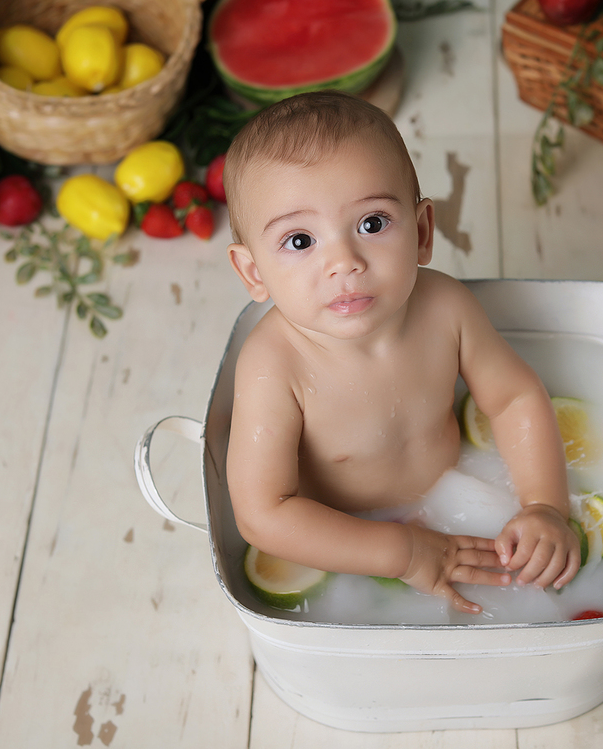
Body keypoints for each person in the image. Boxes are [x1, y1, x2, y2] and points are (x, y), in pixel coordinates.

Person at [223, 91, 579, 614]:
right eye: (300, 241)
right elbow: (264, 514)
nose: (344, 263)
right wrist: (401, 553)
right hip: (345, 541)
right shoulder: (272, 365)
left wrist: (545, 503)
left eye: (372, 224)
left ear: (422, 232)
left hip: (457, 493)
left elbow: (513, 398)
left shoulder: (446, 308)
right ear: (254, 272)